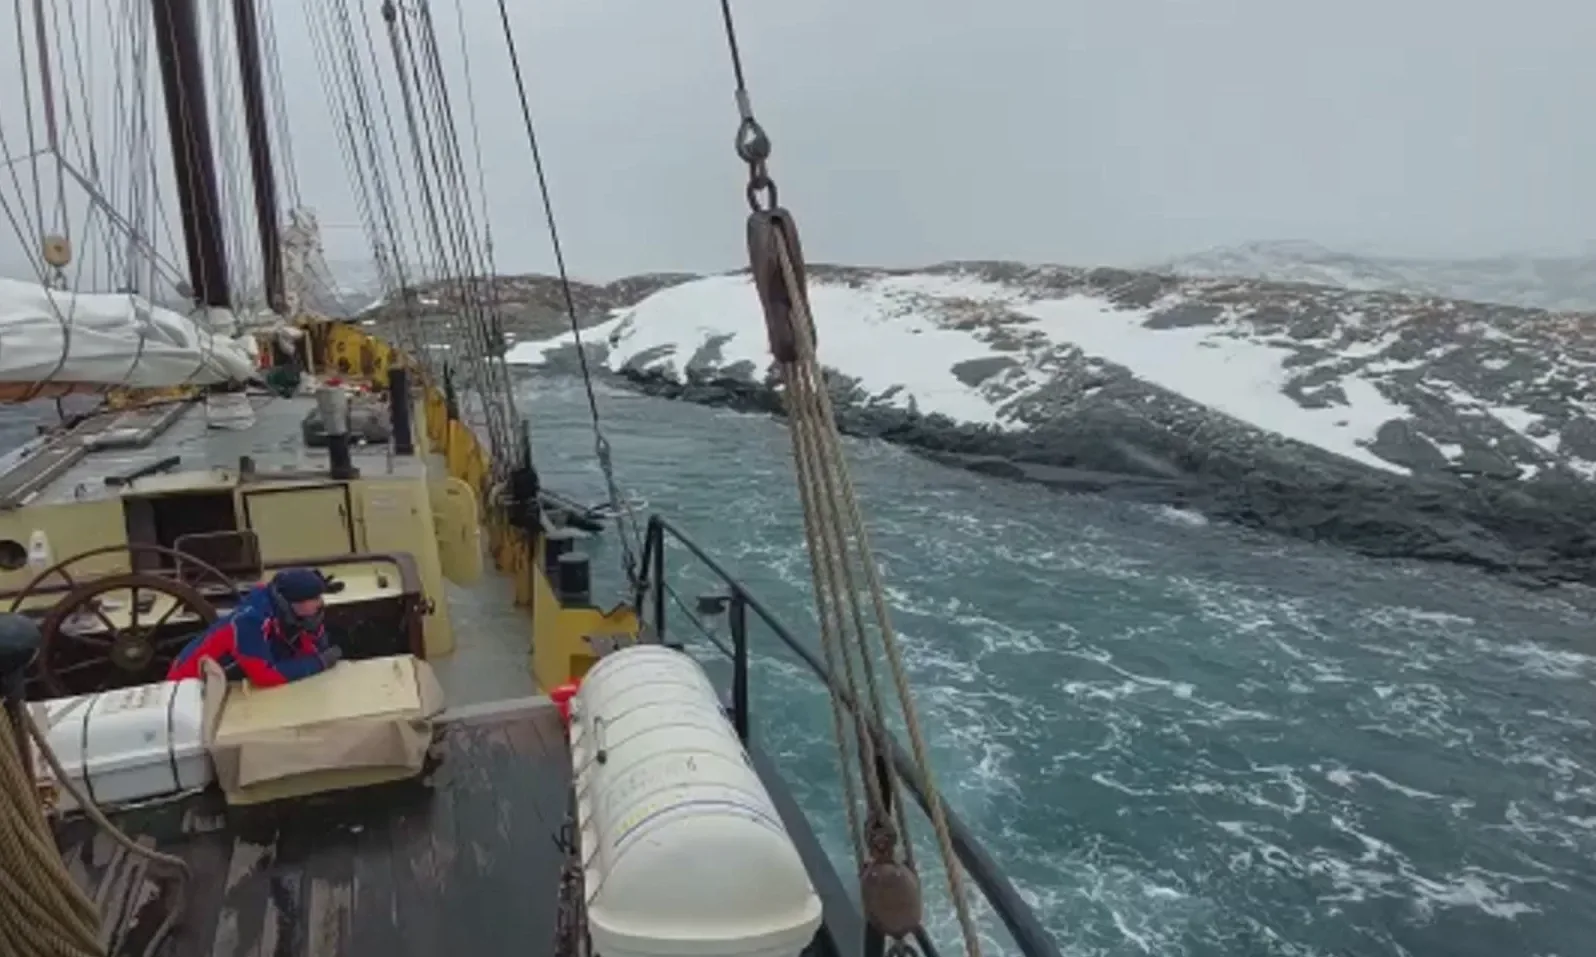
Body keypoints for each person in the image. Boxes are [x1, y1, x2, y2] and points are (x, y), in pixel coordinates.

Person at [167, 567, 342, 688]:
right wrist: (320, 663)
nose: (321, 603)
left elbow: (311, 649)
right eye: (315, 598)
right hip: (189, 684)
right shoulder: (249, 622)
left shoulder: (290, 613)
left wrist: (315, 637)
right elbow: (265, 676)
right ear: (294, 602)